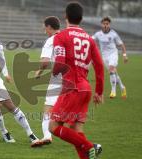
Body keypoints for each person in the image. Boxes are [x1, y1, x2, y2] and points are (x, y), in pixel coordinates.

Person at [49, 2, 104, 159]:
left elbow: (59, 63)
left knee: (53, 126)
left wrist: (53, 73)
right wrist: (99, 92)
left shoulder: (61, 36)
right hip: (85, 89)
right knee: (76, 129)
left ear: (65, 16)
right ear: (81, 18)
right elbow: (99, 66)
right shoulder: (89, 39)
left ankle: (89, 146)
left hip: (71, 88)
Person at [34, 16, 62, 145]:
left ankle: (47, 136)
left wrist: (39, 72)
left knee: (48, 108)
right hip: (75, 78)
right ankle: (83, 142)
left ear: (49, 27)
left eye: (45, 28)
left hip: (58, 78)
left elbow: (45, 62)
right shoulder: (68, 37)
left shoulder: (51, 40)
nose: (44, 30)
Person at [92, 16, 128, 99]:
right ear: (101, 24)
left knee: (111, 70)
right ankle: (122, 87)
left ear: (109, 24)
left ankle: (113, 91)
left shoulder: (113, 34)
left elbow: (121, 44)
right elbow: (90, 40)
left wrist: (125, 56)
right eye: (104, 24)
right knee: (114, 72)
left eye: (107, 24)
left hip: (113, 54)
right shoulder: (98, 34)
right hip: (105, 56)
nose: (105, 25)